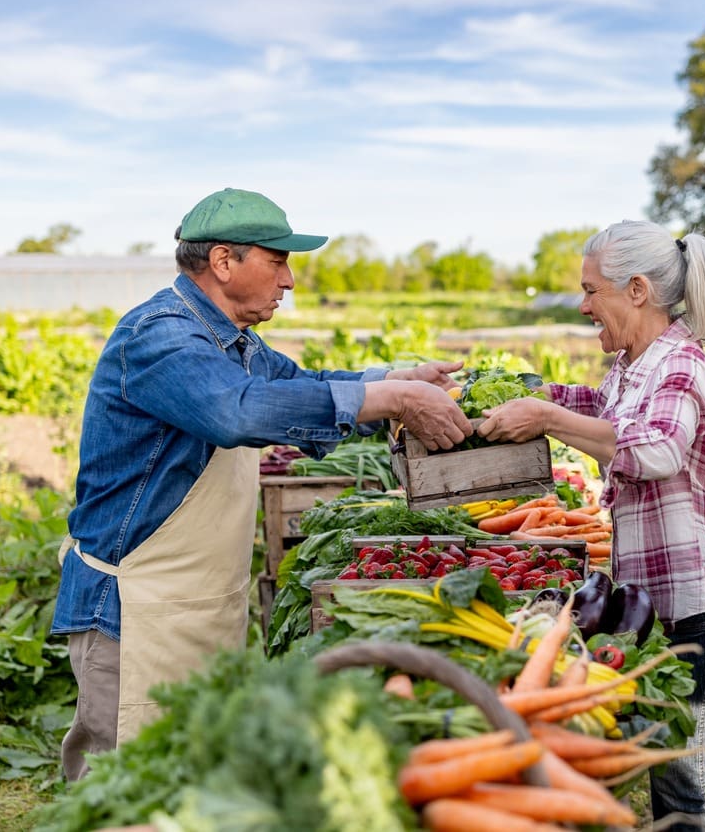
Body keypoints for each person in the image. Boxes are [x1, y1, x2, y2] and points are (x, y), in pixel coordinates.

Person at [51, 187, 472, 781]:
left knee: (191, 784)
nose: (291, 280)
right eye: (277, 261)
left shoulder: (236, 343)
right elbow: (238, 412)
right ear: (224, 262)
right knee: (124, 790)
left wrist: (394, 380)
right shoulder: (161, 336)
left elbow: (301, 385)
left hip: (198, 606)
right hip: (136, 613)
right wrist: (395, 398)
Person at [478, 220, 705, 831]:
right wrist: (514, 392)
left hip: (703, 603)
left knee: (684, 779)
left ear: (636, 290)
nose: (583, 306)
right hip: (662, 598)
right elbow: (596, 409)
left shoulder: (682, 365)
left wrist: (546, 417)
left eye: (591, 291)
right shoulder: (636, 364)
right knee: (662, 760)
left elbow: (657, 450)